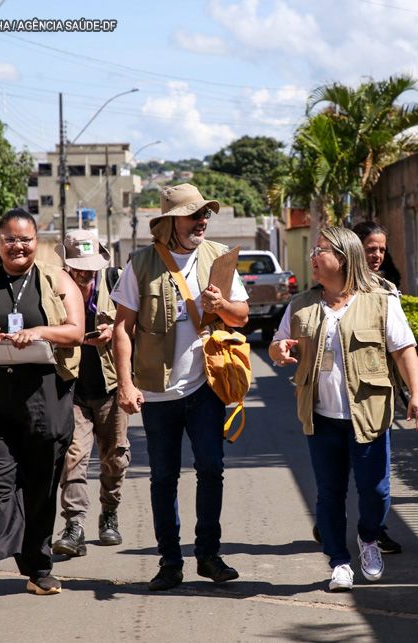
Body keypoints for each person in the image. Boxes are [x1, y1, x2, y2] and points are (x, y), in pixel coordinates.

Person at [269, 226, 418, 592]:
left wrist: (417, 395)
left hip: (368, 415)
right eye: (313, 251)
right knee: (329, 493)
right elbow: (280, 345)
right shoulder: (300, 305)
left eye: (320, 251)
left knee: (376, 492)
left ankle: (369, 539)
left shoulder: (380, 301)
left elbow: (404, 351)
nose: (313, 257)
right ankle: (339, 561)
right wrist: (279, 352)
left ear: (342, 258)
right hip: (322, 417)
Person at [111, 183, 249, 591]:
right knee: (163, 477)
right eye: (194, 215)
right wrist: (125, 384)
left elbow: (241, 316)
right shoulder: (139, 263)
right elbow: (122, 328)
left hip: (206, 385)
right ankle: (170, 561)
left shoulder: (218, 258)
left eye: (205, 214)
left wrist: (221, 306)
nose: (202, 221)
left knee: (211, 468)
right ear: (171, 222)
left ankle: (208, 554)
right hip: (156, 390)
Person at [0, 208, 84, 607]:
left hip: (46, 400)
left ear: (36, 241)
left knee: (40, 486)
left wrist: (40, 332)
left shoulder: (58, 280)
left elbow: (75, 332)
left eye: (25, 239)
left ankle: (38, 570)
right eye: (9, 238)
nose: (17, 245)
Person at [52, 230, 130, 557]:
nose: (85, 274)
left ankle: (109, 513)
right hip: (71, 387)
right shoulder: (53, 289)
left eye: (90, 268)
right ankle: (74, 526)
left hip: (110, 387)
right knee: (74, 457)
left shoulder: (115, 282)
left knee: (115, 458)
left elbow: (137, 326)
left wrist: (114, 330)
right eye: (78, 268)